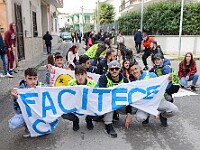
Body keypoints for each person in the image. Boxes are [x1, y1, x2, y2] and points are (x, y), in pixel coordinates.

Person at [125, 63, 179, 128]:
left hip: (158, 101)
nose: (134, 71)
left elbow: (162, 86)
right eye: (132, 70)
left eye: (136, 69)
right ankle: (147, 115)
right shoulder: (132, 82)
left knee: (174, 110)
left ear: (140, 68)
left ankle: (162, 115)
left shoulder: (151, 75)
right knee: (139, 118)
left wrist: (168, 80)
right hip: (145, 104)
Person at [9, 68, 45, 137]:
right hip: (28, 113)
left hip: (40, 112)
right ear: (25, 78)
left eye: (35, 78)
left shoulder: (41, 86)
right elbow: (17, 109)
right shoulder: (20, 90)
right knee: (14, 123)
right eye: (30, 79)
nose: (33, 81)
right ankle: (28, 127)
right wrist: (16, 97)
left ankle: (42, 127)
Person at [98, 60, 129, 138]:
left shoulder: (124, 80)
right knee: (109, 104)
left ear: (120, 69)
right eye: (112, 69)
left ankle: (115, 113)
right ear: (109, 70)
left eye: (116, 68)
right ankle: (108, 125)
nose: (114, 71)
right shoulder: (103, 78)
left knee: (133, 108)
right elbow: (102, 95)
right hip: (107, 102)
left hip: (119, 102)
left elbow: (129, 97)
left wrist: (129, 114)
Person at [62, 65, 96, 131]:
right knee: (63, 113)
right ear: (75, 76)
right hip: (75, 105)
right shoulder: (70, 84)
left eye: (82, 74)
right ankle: (75, 120)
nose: (80, 77)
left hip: (88, 105)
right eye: (78, 75)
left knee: (99, 109)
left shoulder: (93, 84)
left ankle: (89, 119)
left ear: (86, 75)